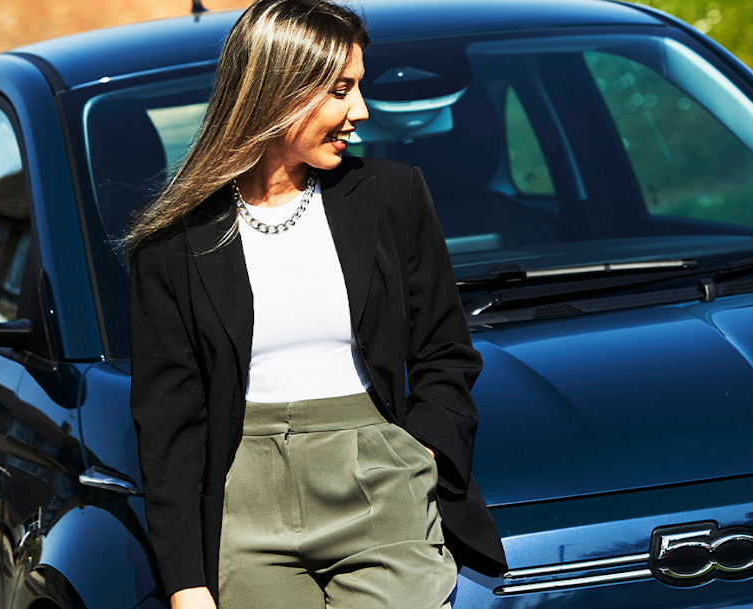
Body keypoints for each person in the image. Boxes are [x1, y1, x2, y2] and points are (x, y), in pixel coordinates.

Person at [122, 1, 508, 608]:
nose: (361, 110)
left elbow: (445, 352)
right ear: (279, 93)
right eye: (341, 90)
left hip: (378, 480)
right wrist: (185, 582)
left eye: (360, 86)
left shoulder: (391, 197)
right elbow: (170, 423)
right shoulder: (171, 244)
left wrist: (421, 456)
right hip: (243, 507)